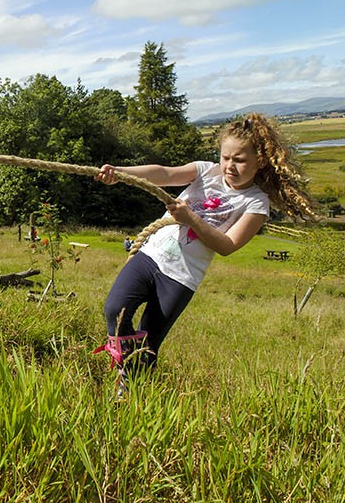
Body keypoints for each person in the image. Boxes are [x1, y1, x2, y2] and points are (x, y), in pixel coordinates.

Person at [93, 113, 316, 380]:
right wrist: (121, 174)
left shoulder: (256, 204)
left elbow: (228, 245)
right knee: (114, 310)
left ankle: (134, 388)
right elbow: (164, 174)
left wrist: (192, 219)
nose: (230, 166)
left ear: (261, 162)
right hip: (150, 257)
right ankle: (124, 371)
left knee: (150, 343)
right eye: (226, 158)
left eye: (240, 160)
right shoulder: (205, 171)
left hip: (181, 278)